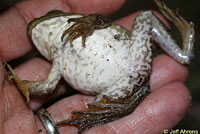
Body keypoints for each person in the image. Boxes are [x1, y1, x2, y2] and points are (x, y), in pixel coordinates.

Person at [0, 0, 191, 133]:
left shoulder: (82, 23)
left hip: (135, 59)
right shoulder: (57, 58)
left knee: (146, 17)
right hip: (120, 87)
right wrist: (24, 86)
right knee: (95, 109)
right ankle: (181, 56)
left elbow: (105, 21)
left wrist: (91, 20)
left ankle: (183, 53)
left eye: (50, 15)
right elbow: (47, 86)